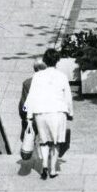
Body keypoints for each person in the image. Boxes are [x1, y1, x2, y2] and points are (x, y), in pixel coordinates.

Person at [24, 47, 74, 180]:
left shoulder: (37, 76)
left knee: (44, 141)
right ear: (57, 61)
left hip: (41, 112)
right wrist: (70, 112)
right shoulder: (62, 76)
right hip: (57, 112)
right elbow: (67, 96)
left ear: (45, 61)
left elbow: (32, 96)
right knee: (56, 142)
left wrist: (29, 116)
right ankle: (52, 169)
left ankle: (44, 165)